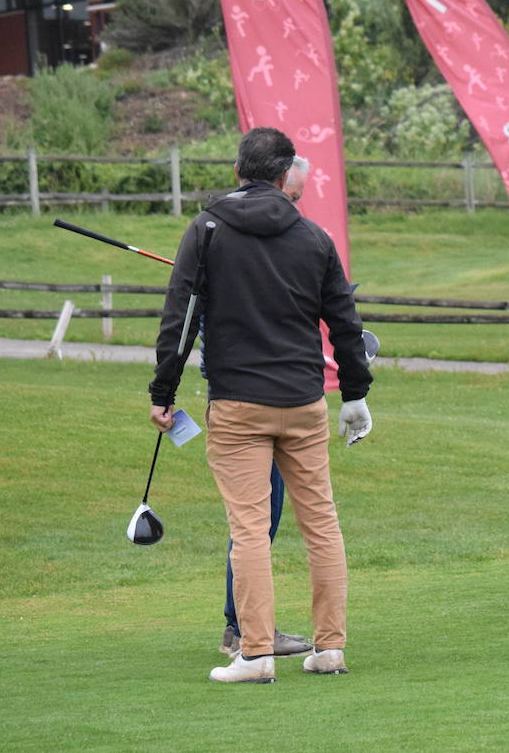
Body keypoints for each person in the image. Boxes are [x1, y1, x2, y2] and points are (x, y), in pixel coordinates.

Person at [150, 129, 373, 683]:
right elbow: (344, 325)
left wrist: (163, 394)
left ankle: (255, 654)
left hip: (238, 405)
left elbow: (180, 321)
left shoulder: (205, 231)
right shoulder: (315, 238)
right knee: (321, 525)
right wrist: (356, 394)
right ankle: (330, 649)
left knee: (249, 528)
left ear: (238, 171)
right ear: (283, 176)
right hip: (302, 404)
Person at [216, 154, 313, 659]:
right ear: (277, 182)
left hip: (287, 398)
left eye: (295, 202)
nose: (289, 209)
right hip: (242, 401)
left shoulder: (293, 242)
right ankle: (246, 632)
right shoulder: (219, 235)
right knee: (256, 522)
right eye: (290, 196)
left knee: (266, 519)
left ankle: (246, 630)